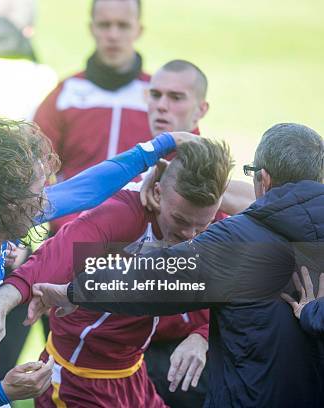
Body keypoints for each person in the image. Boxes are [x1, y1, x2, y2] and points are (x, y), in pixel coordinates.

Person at [0, 114, 195, 407]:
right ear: (8, 202)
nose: (47, 202)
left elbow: (83, 190)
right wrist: (4, 392)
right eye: (39, 194)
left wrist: (161, 145)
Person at [33, 123, 324, 406]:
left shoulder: (239, 241)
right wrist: (315, 315)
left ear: (264, 179)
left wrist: (72, 292)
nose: (188, 233)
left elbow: (152, 282)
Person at [0, 137, 233, 407]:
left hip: (133, 375)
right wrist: (1, 302)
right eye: (179, 221)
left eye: (202, 226)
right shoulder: (123, 215)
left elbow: (236, 282)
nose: (190, 236)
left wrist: (202, 336)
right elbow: (56, 254)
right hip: (78, 382)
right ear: (157, 194)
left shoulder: (209, 219)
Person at [34, 0, 150, 234]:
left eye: (123, 25)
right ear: (91, 29)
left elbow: (187, 166)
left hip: (141, 241)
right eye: (105, 25)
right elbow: (32, 165)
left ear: (138, 30)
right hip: (69, 235)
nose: (113, 35)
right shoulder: (66, 94)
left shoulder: (160, 96)